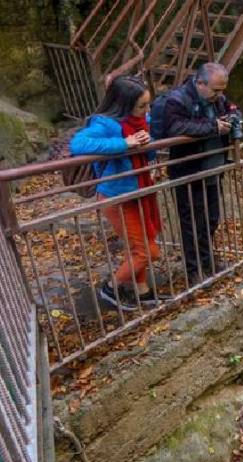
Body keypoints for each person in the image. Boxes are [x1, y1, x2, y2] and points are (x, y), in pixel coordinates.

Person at [70, 75, 162, 311]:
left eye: (148, 104)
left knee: (141, 247)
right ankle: (111, 288)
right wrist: (125, 143)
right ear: (124, 103)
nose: (147, 110)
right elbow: (78, 145)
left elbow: (150, 150)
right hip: (117, 197)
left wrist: (147, 142)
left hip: (138, 190)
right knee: (147, 252)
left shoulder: (141, 120)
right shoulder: (105, 123)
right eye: (142, 105)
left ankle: (143, 292)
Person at [162, 62, 236, 284]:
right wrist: (213, 127)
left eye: (222, 90)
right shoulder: (177, 100)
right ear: (200, 83)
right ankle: (193, 268)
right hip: (188, 171)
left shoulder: (218, 99)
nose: (220, 95)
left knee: (210, 219)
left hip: (212, 168)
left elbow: (233, 109)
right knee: (191, 222)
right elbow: (176, 128)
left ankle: (207, 259)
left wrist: (232, 118)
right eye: (215, 90)